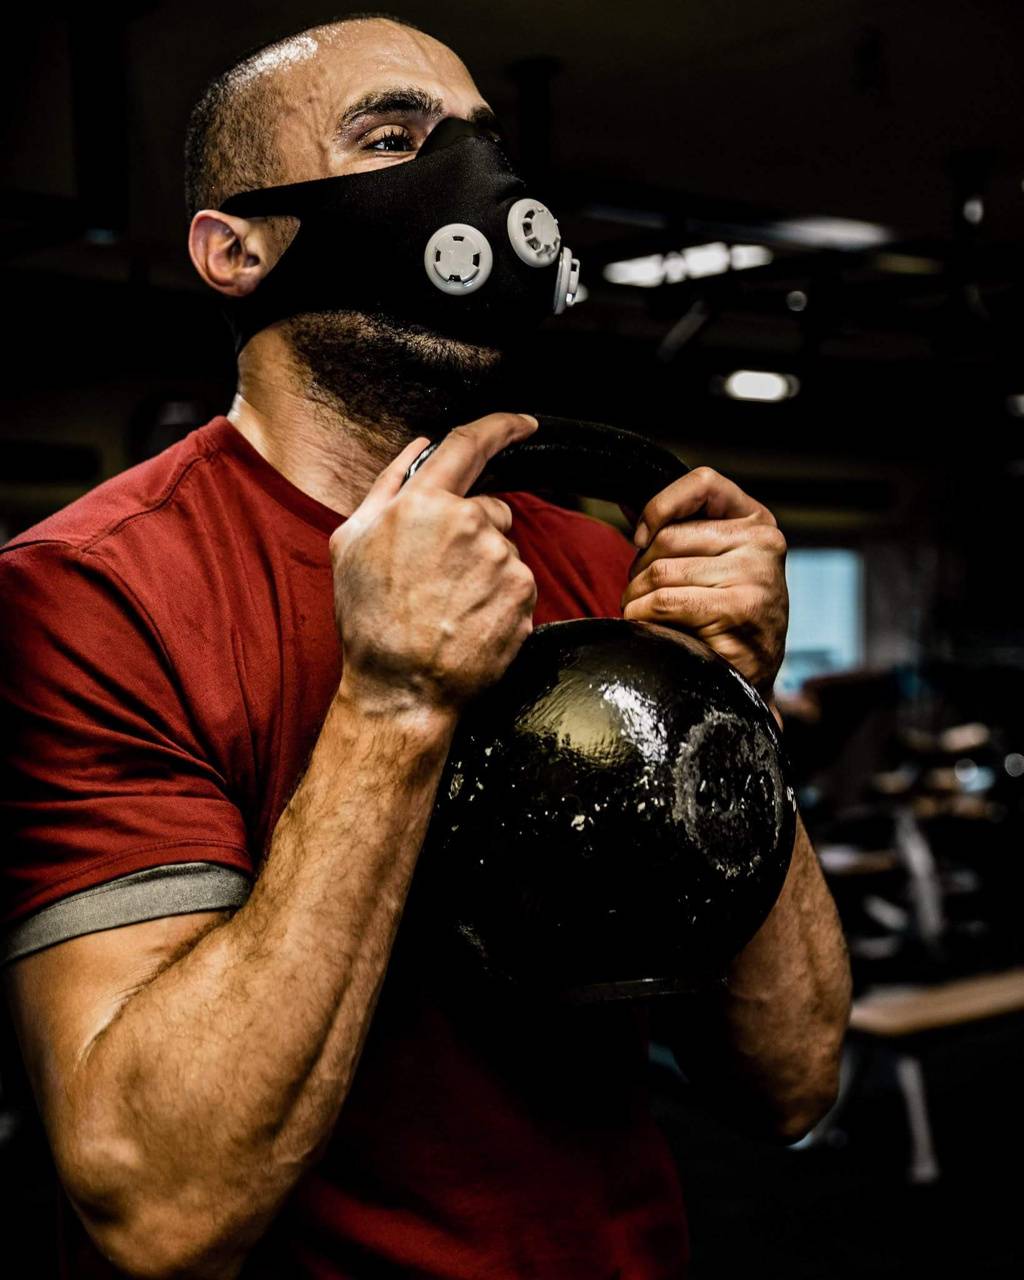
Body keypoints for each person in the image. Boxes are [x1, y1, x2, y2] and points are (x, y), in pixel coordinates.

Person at [0, 13, 851, 1278]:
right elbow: (160, 1202)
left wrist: (721, 691)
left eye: (484, 144)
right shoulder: (89, 591)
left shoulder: (595, 563)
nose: (475, 184)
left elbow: (789, 1079)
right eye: (393, 138)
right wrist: (394, 700)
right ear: (235, 247)